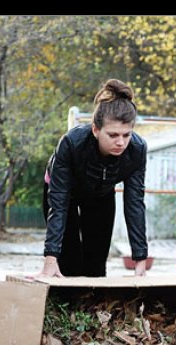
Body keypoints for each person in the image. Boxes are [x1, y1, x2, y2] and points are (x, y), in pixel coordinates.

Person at [37, 79, 149, 278]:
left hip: (101, 194)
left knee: (95, 267)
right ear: (96, 130)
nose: (121, 142)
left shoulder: (137, 150)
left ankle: (92, 308)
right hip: (64, 194)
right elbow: (59, 204)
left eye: (127, 135)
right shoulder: (71, 144)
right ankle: (67, 306)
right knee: (69, 261)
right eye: (113, 135)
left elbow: (135, 204)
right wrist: (50, 258)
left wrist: (140, 259)